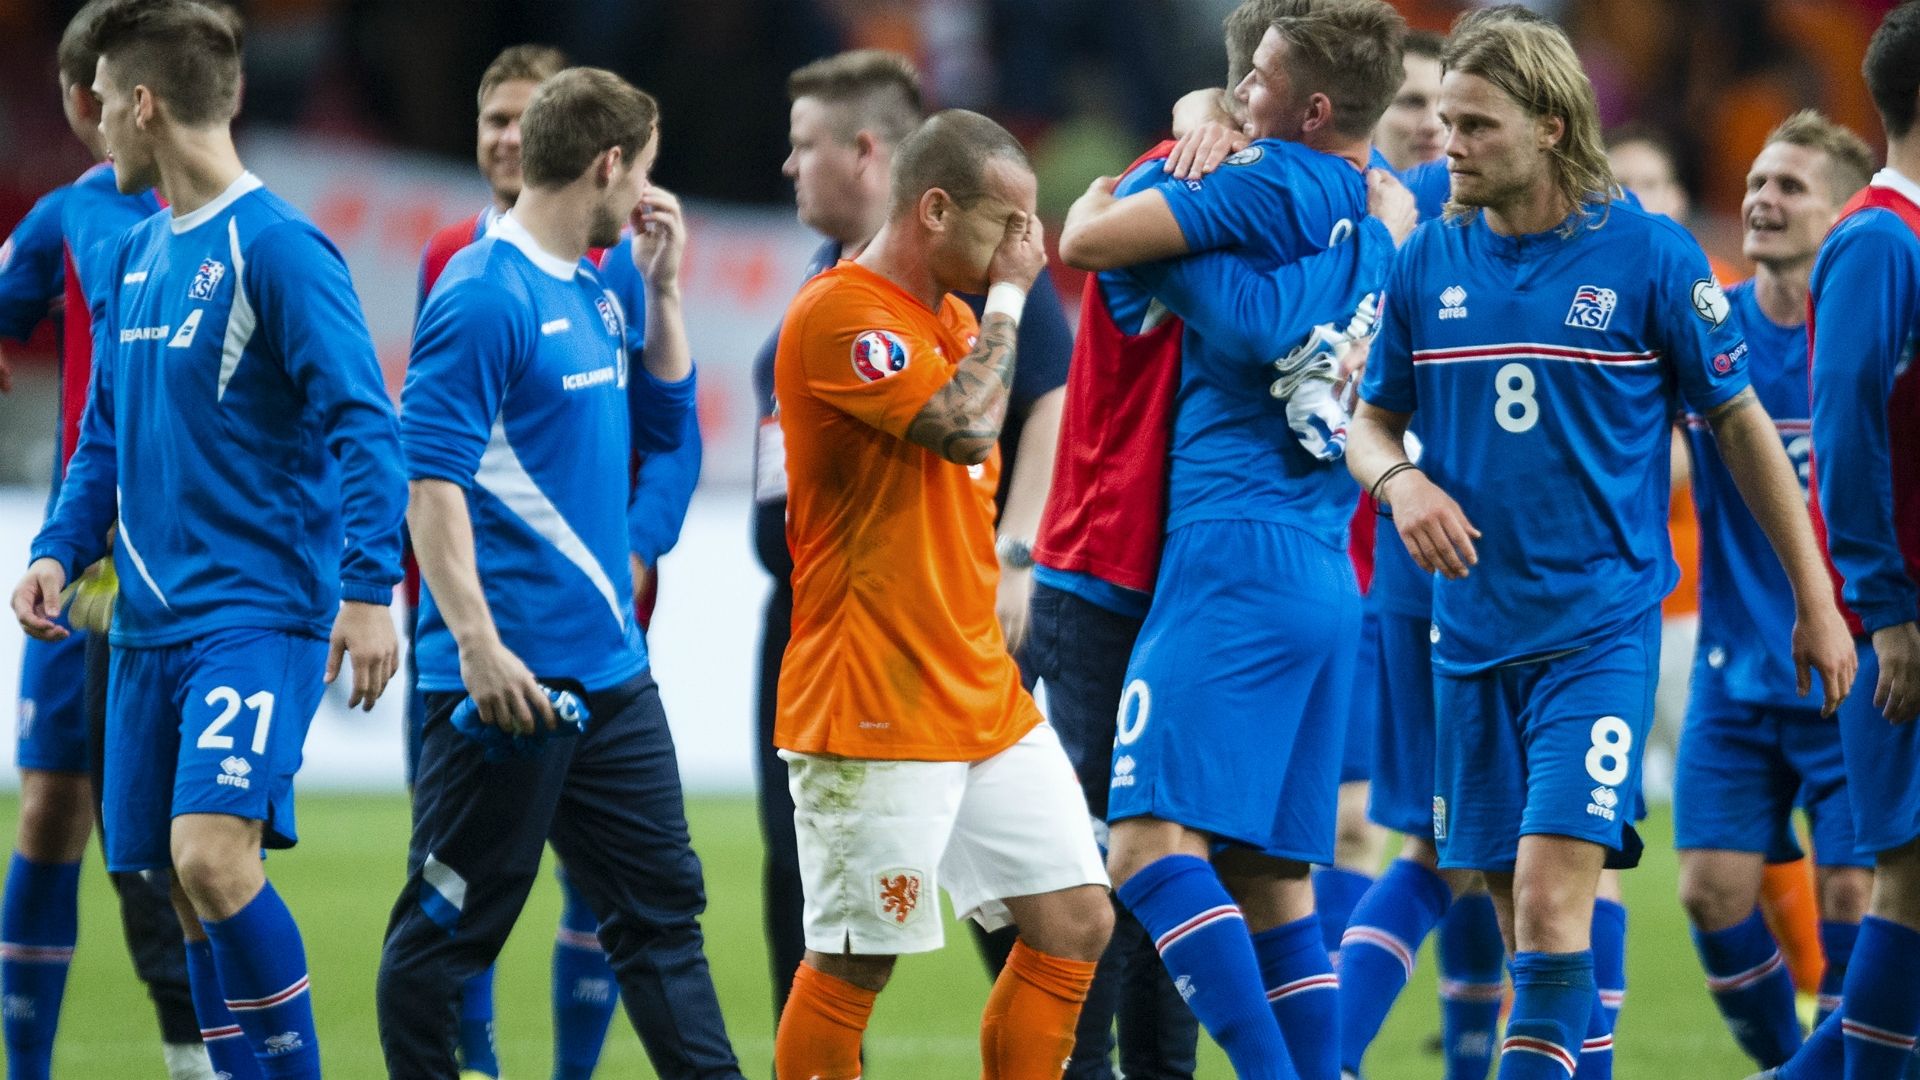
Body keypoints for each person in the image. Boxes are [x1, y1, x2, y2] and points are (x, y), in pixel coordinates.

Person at [1348, 15, 1854, 1080]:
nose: (1451, 146)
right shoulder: (1429, 253)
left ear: (1550, 122)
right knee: (1498, 898)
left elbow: (1743, 422)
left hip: (1598, 634)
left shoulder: (1648, 254)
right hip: (1470, 637)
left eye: (1476, 125)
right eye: (1444, 122)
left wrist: (1815, 596)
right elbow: (1369, 418)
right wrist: (1399, 482)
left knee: (1546, 894)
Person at [10, 2, 413, 1077]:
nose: (91, 130)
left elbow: (366, 424)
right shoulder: (140, 251)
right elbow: (104, 435)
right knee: (186, 892)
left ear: (142, 105)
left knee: (211, 857)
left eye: (99, 107)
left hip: (251, 615)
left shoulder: (278, 247)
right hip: (144, 625)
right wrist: (58, 546)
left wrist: (370, 591)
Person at [1060, 4, 1411, 1076]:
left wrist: (1156, 247)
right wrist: (1202, 109)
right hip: (1323, 563)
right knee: (1272, 881)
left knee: (1144, 849)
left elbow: (1086, 237)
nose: (1238, 92)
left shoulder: (1264, 178)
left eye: (1255, 77)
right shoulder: (1380, 202)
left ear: (1311, 107)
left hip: (1231, 556)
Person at [374, 66, 743, 1080]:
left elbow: (667, 423)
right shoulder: (480, 296)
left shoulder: (593, 285)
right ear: (609, 162)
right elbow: (429, 481)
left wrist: (664, 293)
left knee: (664, 920)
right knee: (446, 937)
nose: (643, 200)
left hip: (612, 680)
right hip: (505, 690)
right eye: (643, 174)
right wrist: (480, 647)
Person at [771, 108, 1111, 1080]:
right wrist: (1008, 301)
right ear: (933, 208)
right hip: (875, 696)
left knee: (1076, 919)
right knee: (855, 959)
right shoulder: (842, 314)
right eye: (1007, 225)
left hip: (978, 692)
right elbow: (964, 428)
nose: (1026, 248)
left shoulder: (952, 321)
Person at [0, 4, 205, 1078]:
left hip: (205, 564)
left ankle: (199, 1052)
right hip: (89, 564)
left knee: (192, 848)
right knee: (53, 813)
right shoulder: (69, 218)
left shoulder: (234, 227)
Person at [1670, 111, 1876, 1072]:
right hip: (1734, 666)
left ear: (1840, 219)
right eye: (1756, 181)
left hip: (1857, 672)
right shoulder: (1711, 327)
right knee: (1710, 893)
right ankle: (1786, 1064)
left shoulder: (1871, 340)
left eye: (1790, 187)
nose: (1761, 199)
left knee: (1852, 904)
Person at [1774, 6, 1920, 1078]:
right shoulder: (1875, 240)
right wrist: (1887, 607)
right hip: (1907, 617)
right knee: (1909, 883)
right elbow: (1849, 434)